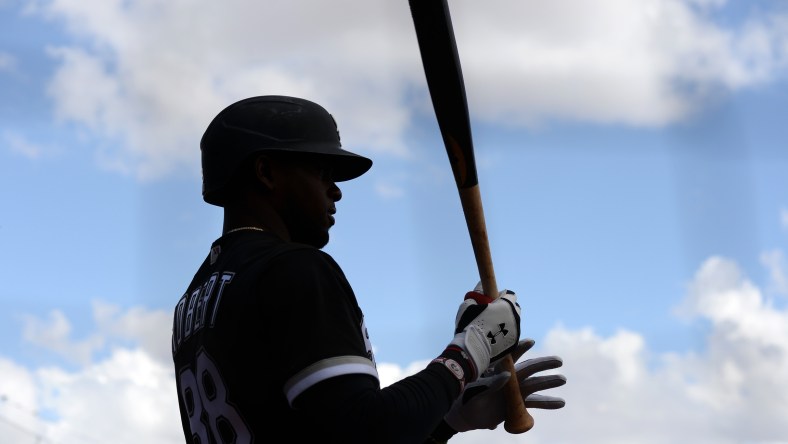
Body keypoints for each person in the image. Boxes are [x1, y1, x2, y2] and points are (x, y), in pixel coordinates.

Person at [171, 95, 566, 443]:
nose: (336, 190)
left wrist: (447, 418)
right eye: (322, 172)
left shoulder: (192, 301)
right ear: (266, 172)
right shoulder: (294, 268)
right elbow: (367, 431)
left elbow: (336, 429)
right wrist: (470, 350)